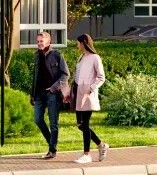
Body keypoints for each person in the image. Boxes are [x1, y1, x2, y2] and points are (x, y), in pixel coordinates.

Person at [30, 30, 70, 160]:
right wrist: (32, 94)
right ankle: (51, 143)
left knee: (53, 123)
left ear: (48, 41)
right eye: (37, 41)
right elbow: (35, 76)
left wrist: (53, 88)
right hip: (39, 94)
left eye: (41, 41)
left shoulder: (57, 55)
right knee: (38, 119)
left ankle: (52, 150)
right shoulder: (37, 56)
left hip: (53, 94)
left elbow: (65, 75)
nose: (39, 43)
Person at [72, 33, 108, 165]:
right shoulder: (81, 57)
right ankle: (101, 145)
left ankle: (86, 154)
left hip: (87, 95)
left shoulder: (95, 57)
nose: (77, 45)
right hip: (78, 94)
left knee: (85, 124)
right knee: (80, 125)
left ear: (83, 43)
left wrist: (90, 88)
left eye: (78, 43)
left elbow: (101, 77)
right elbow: (77, 76)